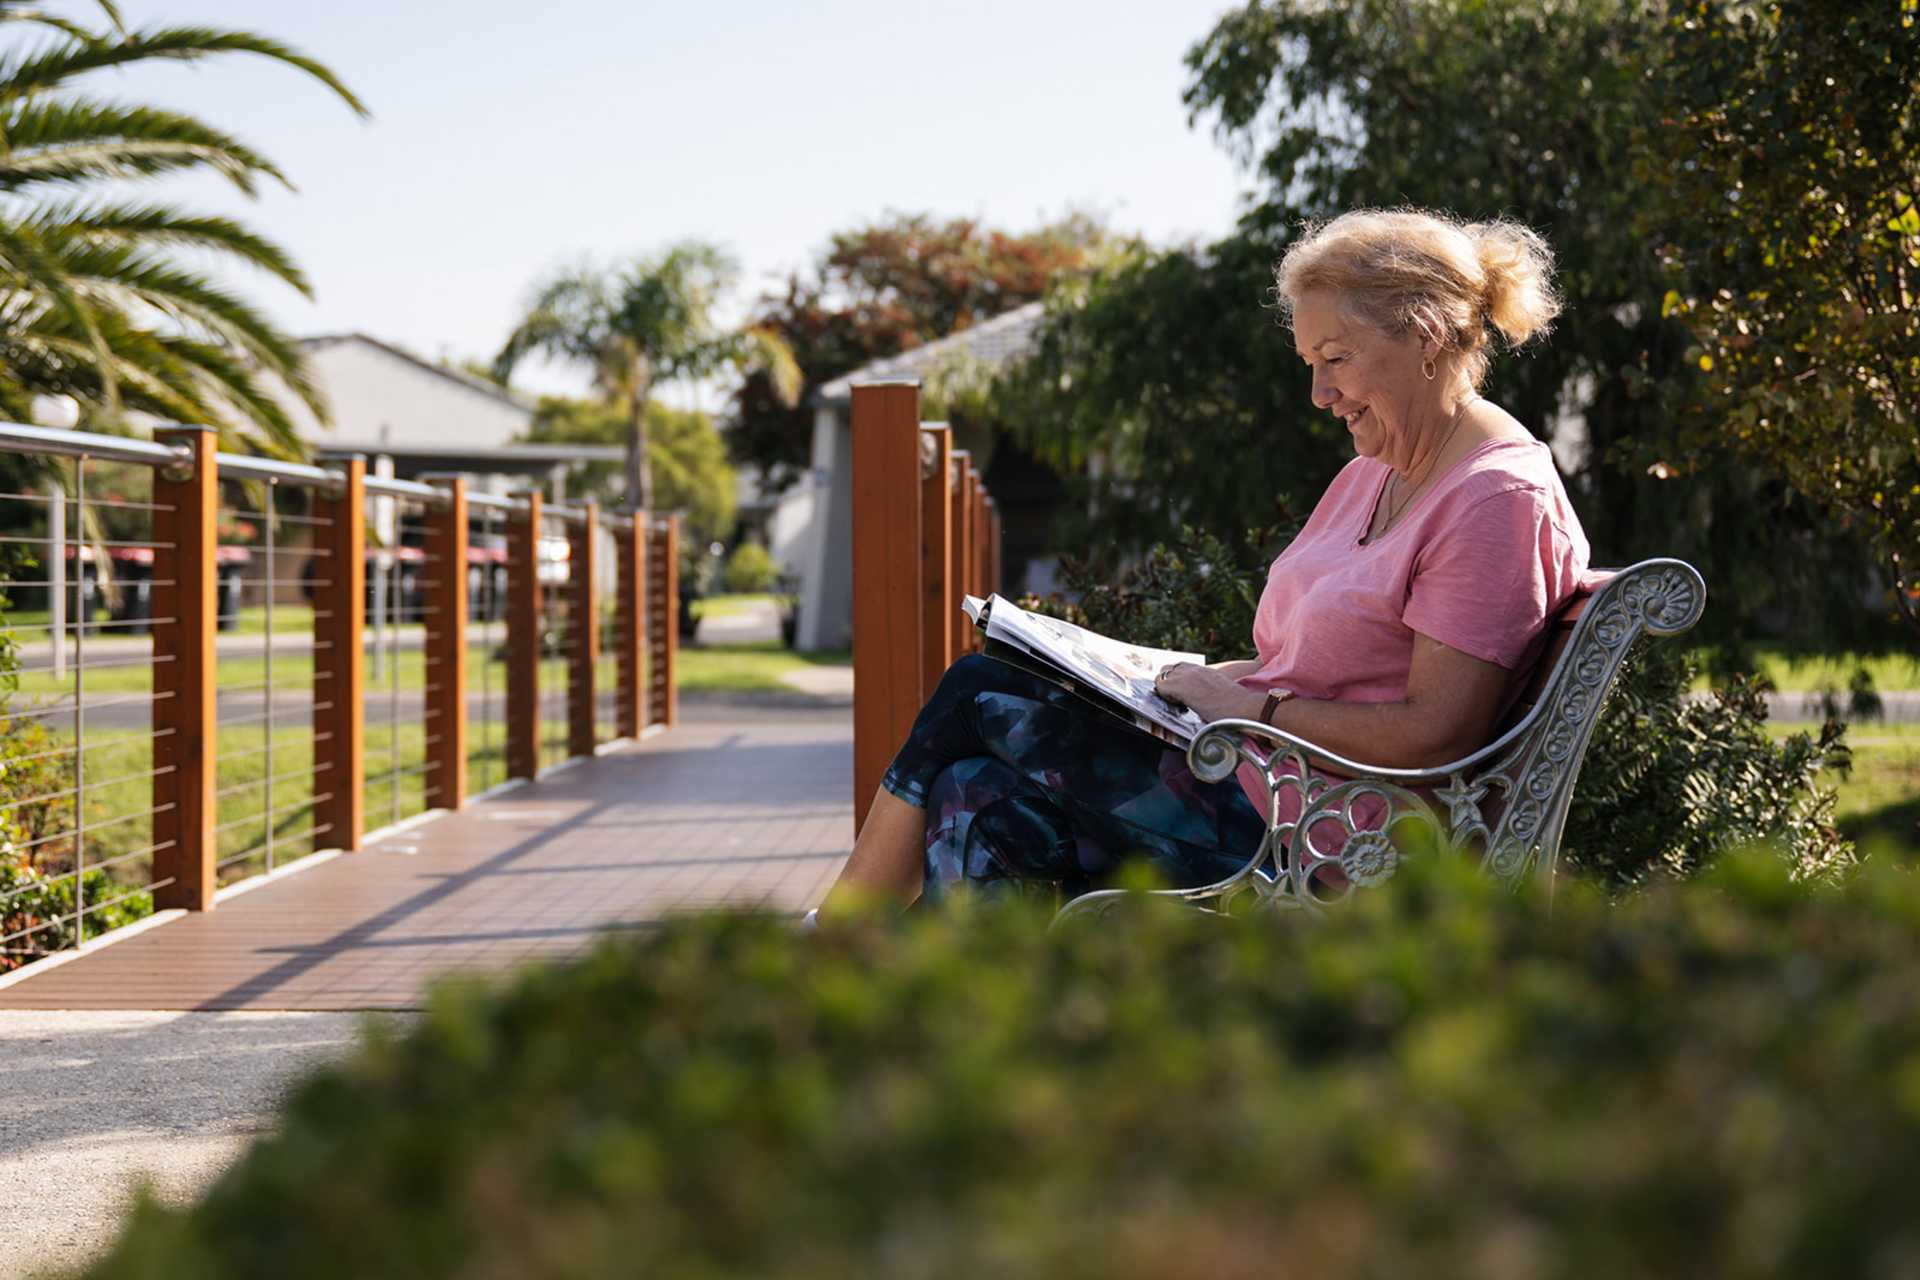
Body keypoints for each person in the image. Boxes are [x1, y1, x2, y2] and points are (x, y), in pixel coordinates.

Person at [815, 207, 1591, 921]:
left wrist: (1250, 711)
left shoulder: (1495, 500)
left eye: (1336, 359)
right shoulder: (1377, 473)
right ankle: (954, 1049)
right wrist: (1145, 681)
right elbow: (1320, 663)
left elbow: (1437, 734)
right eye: (1308, 363)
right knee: (975, 797)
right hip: (1267, 783)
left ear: (1424, 336)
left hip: (1332, 836)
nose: (1319, 394)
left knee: (979, 688)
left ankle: (835, 944)